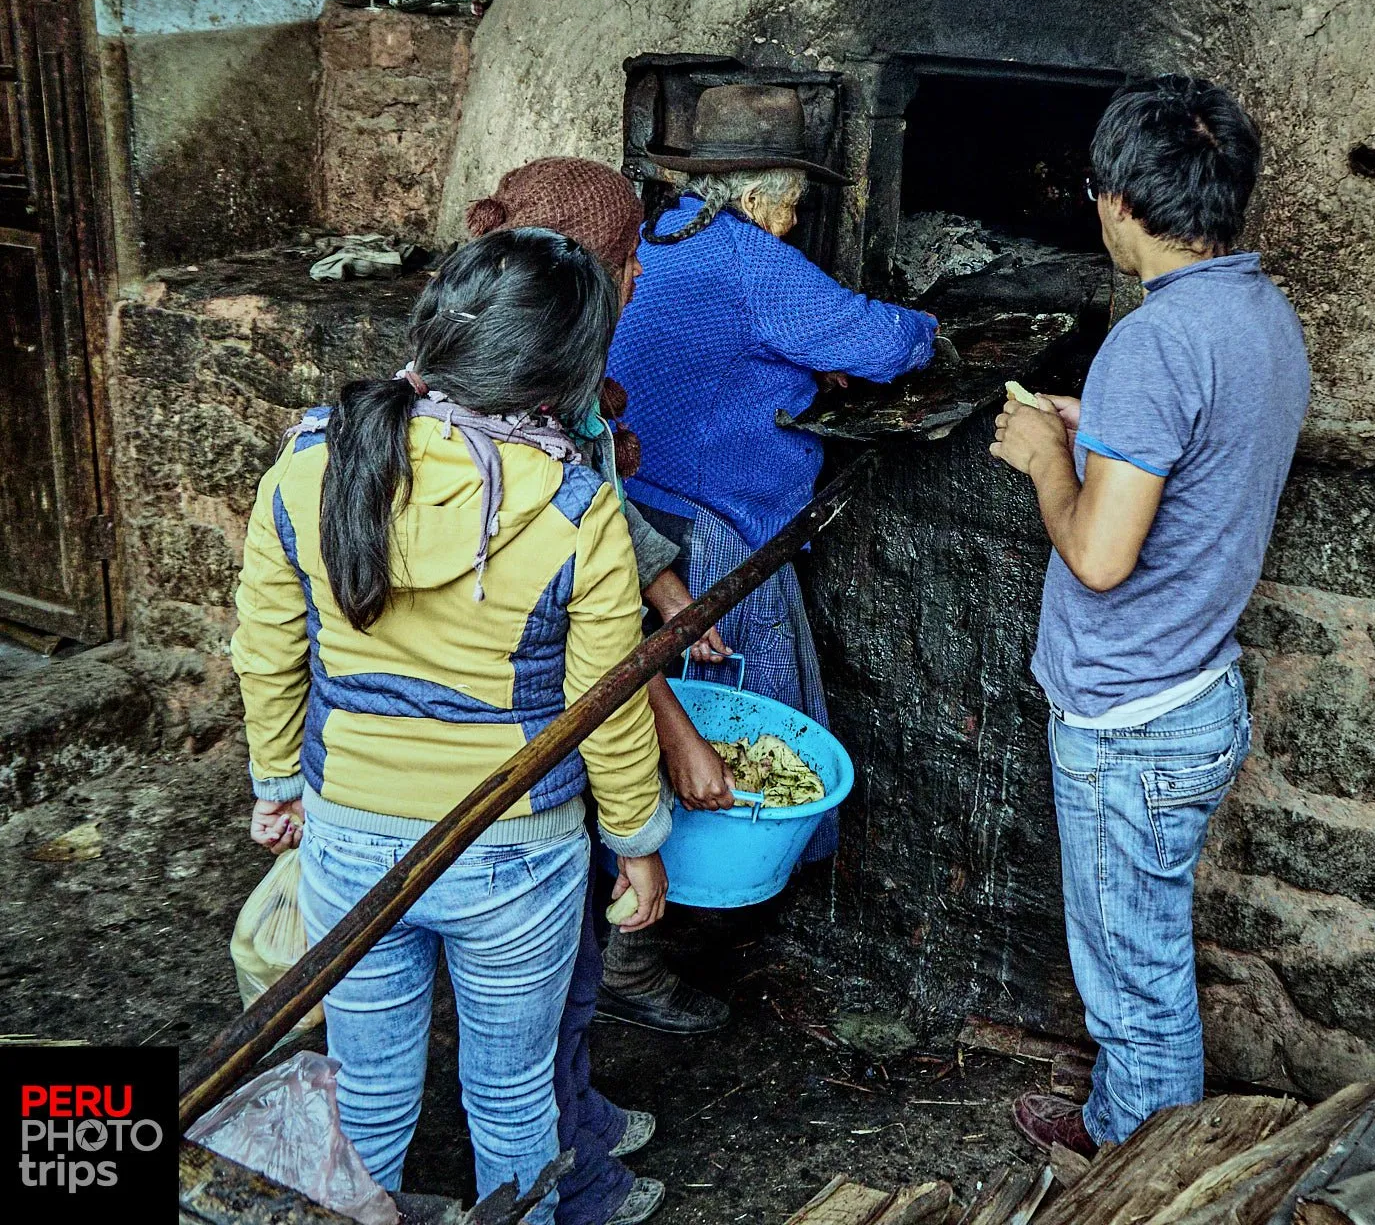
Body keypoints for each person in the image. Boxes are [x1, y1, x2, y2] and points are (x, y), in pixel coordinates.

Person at [232, 229, 671, 1214]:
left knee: (369, 1101)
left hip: (350, 837)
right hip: (515, 850)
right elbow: (604, 712)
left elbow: (266, 649)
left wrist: (276, 785)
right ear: (566, 372)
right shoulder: (575, 507)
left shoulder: (312, 462)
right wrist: (641, 842)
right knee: (515, 1101)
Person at [989, 76, 1310, 1158]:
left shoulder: (1152, 342)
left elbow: (1097, 552)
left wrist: (1043, 458)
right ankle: (1126, 1125)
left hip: (1130, 720)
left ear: (1119, 202)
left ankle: (1140, 1165)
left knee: (1136, 981)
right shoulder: (1258, 312)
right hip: (1194, 689)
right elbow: (1195, 464)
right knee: (1142, 954)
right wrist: (1101, 434)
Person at [465, 157, 740, 1225]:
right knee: (543, 976)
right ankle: (568, 1167)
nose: (638, 283)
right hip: (525, 728)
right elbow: (588, 622)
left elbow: (606, 512)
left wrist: (671, 585)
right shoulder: (517, 404)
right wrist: (672, 729)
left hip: (552, 716)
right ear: (590, 275)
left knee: (566, 963)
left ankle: (572, 1108)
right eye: (628, 262)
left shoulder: (551, 374)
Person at [610, 83, 939, 869]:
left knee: (640, 717)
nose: (793, 224)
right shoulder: (749, 256)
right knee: (736, 718)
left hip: (632, 511)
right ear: (758, 195)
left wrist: (800, 358)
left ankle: (641, 871)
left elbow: (720, 350)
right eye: (790, 206)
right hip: (708, 533)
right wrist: (929, 325)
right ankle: (720, 878)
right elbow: (884, 344)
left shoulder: (654, 236)